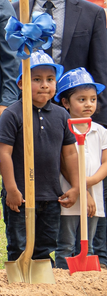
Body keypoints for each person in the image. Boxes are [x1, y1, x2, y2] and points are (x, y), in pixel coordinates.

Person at [0, 51, 79, 267]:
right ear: (22, 83)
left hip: (51, 196)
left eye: (50, 80)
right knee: (19, 246)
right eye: (37, 79)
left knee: (45, 246)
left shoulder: (62, 116)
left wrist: (77, 186)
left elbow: (69, 153)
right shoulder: (12, 115)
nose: (44, 85)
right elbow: (4, 153)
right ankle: (21, 286)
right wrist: (11, 189)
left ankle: (41, 292)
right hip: (20, 198)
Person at [53, 68, 107, 269]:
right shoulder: (63, 128)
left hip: (94, 195)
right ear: (65, 102)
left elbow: (105, 163)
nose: (88, 104)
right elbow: (63, 163)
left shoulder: (100, 131)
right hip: (70, 195)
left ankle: (85, 289)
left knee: (88, 246)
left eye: (92, 99)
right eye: (81, 99)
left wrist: (89, 183)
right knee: (66, 245)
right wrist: (81, 189)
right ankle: (63, 284)